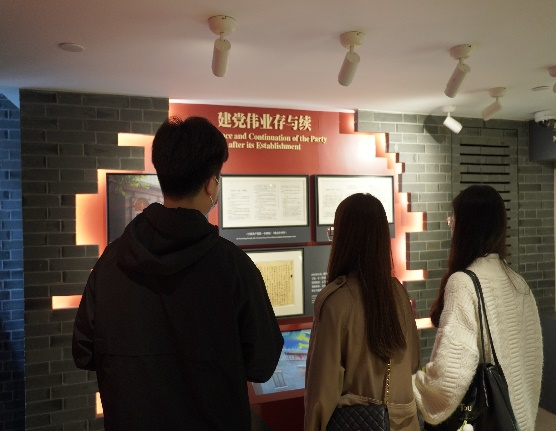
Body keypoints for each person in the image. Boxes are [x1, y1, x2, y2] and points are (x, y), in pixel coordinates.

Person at [72, 116, 284, 431]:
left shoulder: (110, 262)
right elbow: (262, 364)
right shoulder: (234, 266)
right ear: (211, 184)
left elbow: (83, 352)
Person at [412, 185, 543, 431]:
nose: (450, 226)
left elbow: (448, 381)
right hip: (518, 422)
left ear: (466, 227)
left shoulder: (463, 283)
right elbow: (532, 366)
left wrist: (412, 386)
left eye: (453, 219)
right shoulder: (519, 283)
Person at [305, 193, 421, 431]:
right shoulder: (398, 293)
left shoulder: (336, 302)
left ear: (344, 238)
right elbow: (413, 363)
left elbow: (321, 394)